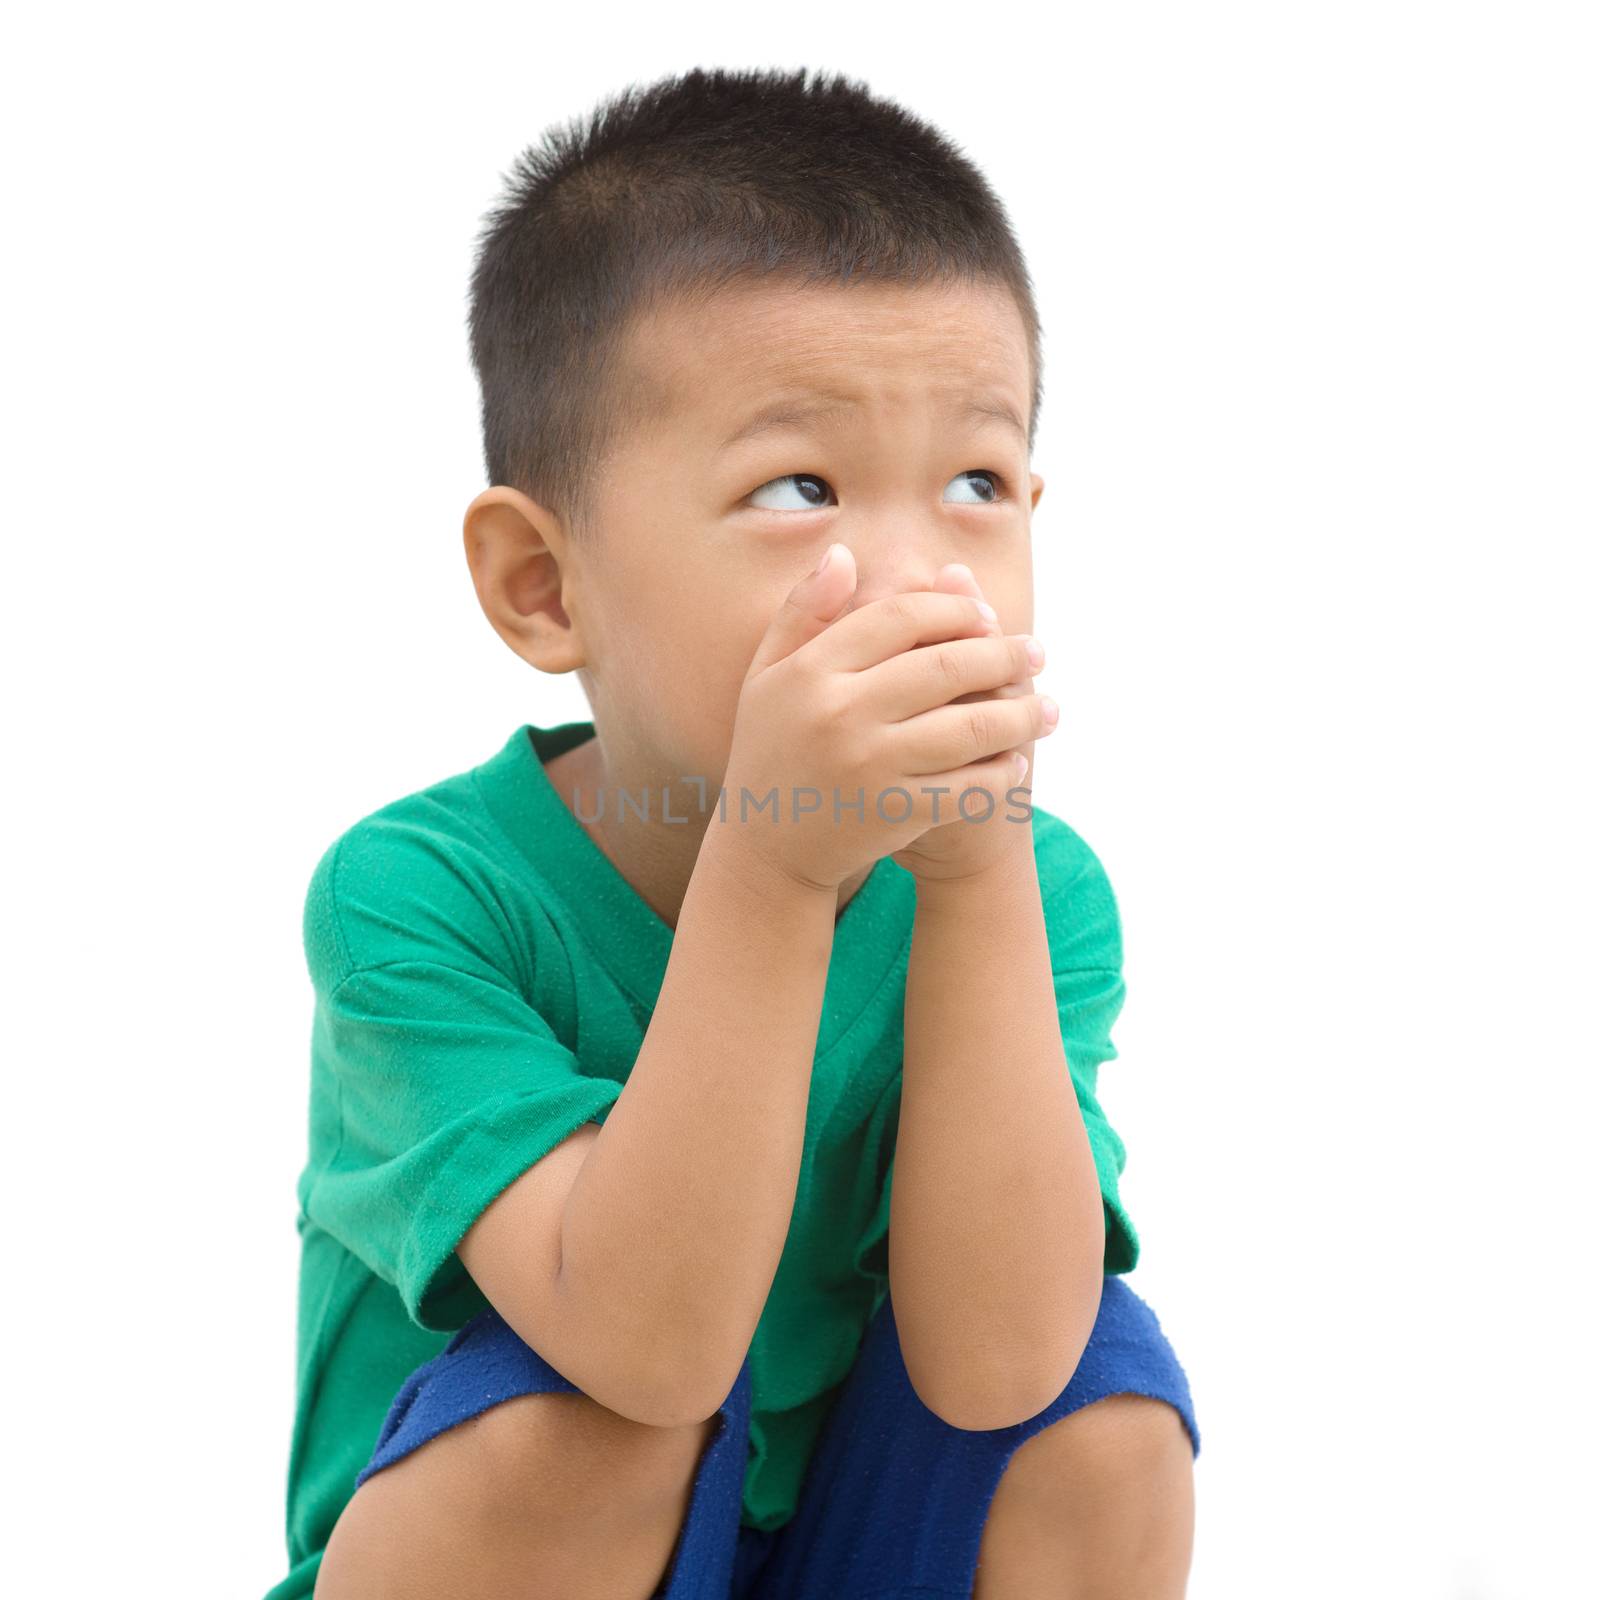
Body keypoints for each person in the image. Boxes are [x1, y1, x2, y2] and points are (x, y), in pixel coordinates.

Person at [264, 64, 1200, 1600]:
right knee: (588, 1430)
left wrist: (974, 882)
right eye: (798, 488)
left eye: (977, 483)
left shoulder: (1038, 887)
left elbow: (1001, 1371)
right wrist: (775, 861)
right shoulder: (421, 896)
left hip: (844, 1547)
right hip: (534, 1543)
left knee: (1104, 1409)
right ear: (544, 589)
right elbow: (641, 1345)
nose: (913, 577)